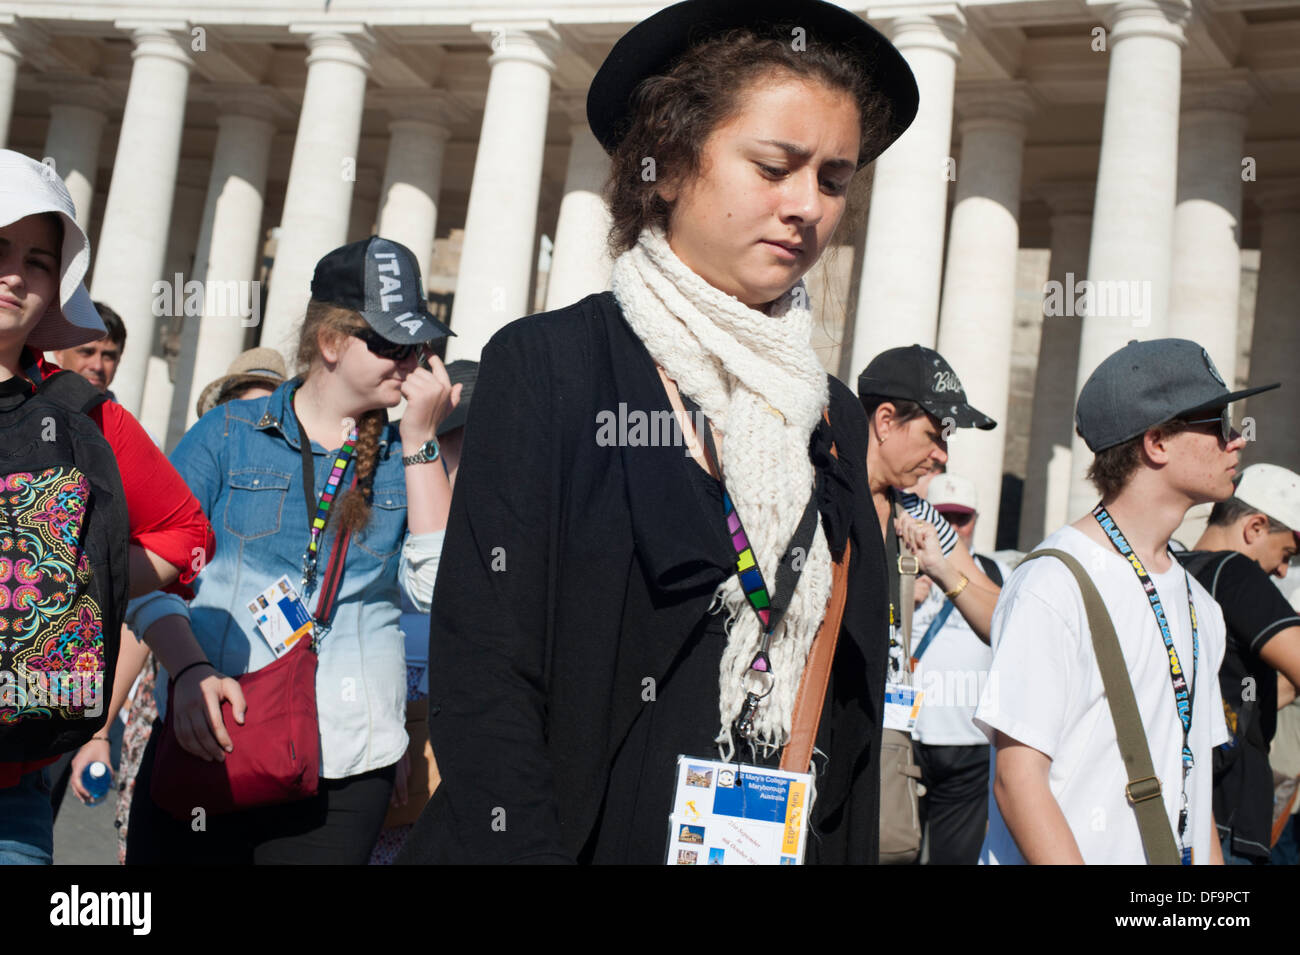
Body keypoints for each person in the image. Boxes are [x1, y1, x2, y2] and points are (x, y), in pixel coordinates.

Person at [397, 0, 920, 864]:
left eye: (832, 178)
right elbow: (484, 672)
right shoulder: (551, 365)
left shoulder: (832, 410)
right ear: (669, 164)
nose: (806, 207)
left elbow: (854, 710)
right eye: (775, 166)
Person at [125, 235, 460, 864]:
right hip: (216, 737)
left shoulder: (407, 457)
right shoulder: (227, 433)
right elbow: (143, 572)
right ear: (330, 342)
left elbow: (439, 591)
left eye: (419, 346)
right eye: (390, 344)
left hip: (348, 763)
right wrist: (189, 669)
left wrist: (419, 439)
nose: (410, 363)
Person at [976, 338, 1277, 865]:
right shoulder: (1054, 583)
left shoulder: (1199, 603)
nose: (1237, 442)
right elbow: (1018, 781)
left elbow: (1193, 781)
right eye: (1217, 425)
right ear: (1157, 442)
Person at [0, 148, 213, 864]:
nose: (14, 276)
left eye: (36, 260)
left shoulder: (86, 416)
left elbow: (188, 535)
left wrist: (66, 575)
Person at [62, 348, 290, 862]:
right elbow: (141, 608)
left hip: (271, 721)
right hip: (177, 708)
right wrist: (99, 732)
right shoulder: (187, 497)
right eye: (247, 413)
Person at [1177, 463, 1300, 864]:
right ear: (1256, 527)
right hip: (1225, 818)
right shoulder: (1234, 571)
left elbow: (1241, 694)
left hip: (1180, 806)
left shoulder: (1175, 572)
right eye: (1287, 554)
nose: (1282, 571)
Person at [857, 344, 1003, 660]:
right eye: (932, 435)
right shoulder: (821, 499)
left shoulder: (920, 514)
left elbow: (1005, 620)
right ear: (885, 422)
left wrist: (942, 570)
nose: (942, 455)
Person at [910, 472, 1009, 864]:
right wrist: (897, 601)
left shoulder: (999, 574)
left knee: (956, 860)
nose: (953, 529)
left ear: (976, 520)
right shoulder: (900, 569)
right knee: (890, 849)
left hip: (971, 744)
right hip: (908, 738)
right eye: (943, 517)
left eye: (962, 518)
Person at [50, 300, 125, 396]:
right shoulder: (30, 407)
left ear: (118, 360)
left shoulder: (119, 411)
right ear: (59, 352)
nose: (98, 366)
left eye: (109, 356)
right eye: (87, 352)